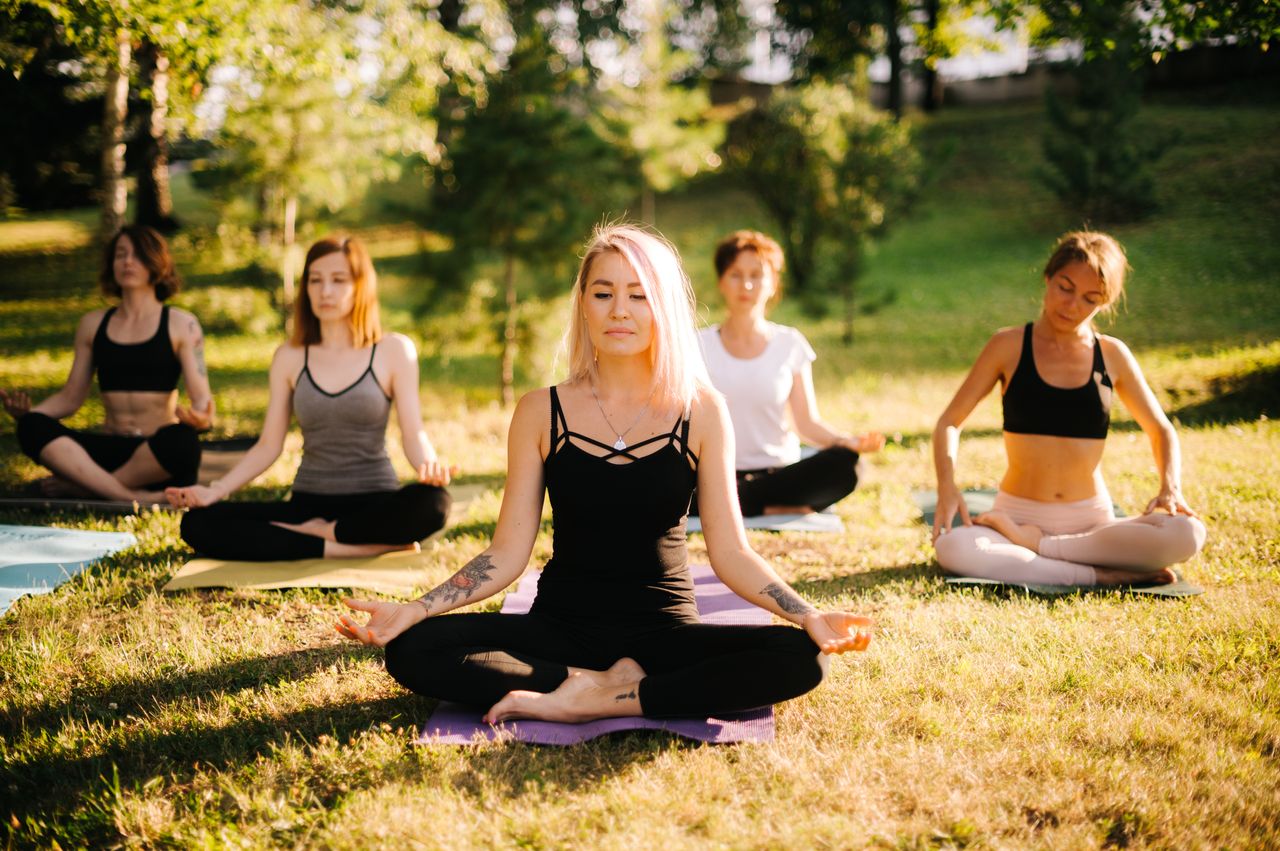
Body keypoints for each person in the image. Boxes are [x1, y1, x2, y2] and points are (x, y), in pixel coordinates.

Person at [336, 224, 873, 724]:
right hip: (560, 628)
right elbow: (505, 554)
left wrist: (807, 615)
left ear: (662, 307)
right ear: (584, 305)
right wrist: (418, 607)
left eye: (639, 295)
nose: (620, 311)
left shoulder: (702, 410)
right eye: (603, 293)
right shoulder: (540, 412)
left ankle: (606, 698)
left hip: (664, 631)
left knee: (802, 660)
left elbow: (731, 552)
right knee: (414, 648)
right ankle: (583, 684)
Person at [931, 231, 1206, 586]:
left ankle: (1039, 547)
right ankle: (1101, 574)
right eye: (1065, 287)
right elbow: (949, 422)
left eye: (1090, 298)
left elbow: (1161, 429)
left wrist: (1171, 487)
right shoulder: (1008, 345)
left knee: (1188, 534)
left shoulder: (1111, 354)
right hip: (1017, 511)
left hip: (1091, 522)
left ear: (1104, 302)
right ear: (1047, 277)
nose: (1073, 305)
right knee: (953, 548)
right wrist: (947, 486)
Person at [165, 235, 452, 560]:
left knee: (435, 503)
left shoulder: (392, 350)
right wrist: (215, 490)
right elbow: (269, 445)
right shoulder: (289, 357)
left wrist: (429, 465)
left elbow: (413, 433)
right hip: (307, 503)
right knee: (198, 523)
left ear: (361, 286)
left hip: (374, 502)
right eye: (315, 280)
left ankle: (322, 537)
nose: (324, 291)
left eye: (338, 280)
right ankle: (347, 547)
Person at [2, 225, 213, 502]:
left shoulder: (182, 324)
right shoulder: (93, 324)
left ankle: (84, 488)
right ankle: (130, 495)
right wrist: (30, 417)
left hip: (155, 455)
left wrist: (200, 419)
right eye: (120, 255)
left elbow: (203, 403)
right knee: (31, 428)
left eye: (137, 255)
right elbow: (70, 398)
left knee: (183, 442)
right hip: (106, 452)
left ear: (155, 262)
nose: (127, 261)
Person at [694, 230, 884, 517]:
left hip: (778, 476)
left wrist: (847, 441)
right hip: (716, 475)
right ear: (721, 281)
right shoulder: (697, 344)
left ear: (773, 284)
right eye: (735, 274)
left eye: (756, 275)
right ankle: (759, 506)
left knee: (848, 464)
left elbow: (806, 423)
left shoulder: (790, 344)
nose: (746, 284)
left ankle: (737, 505)